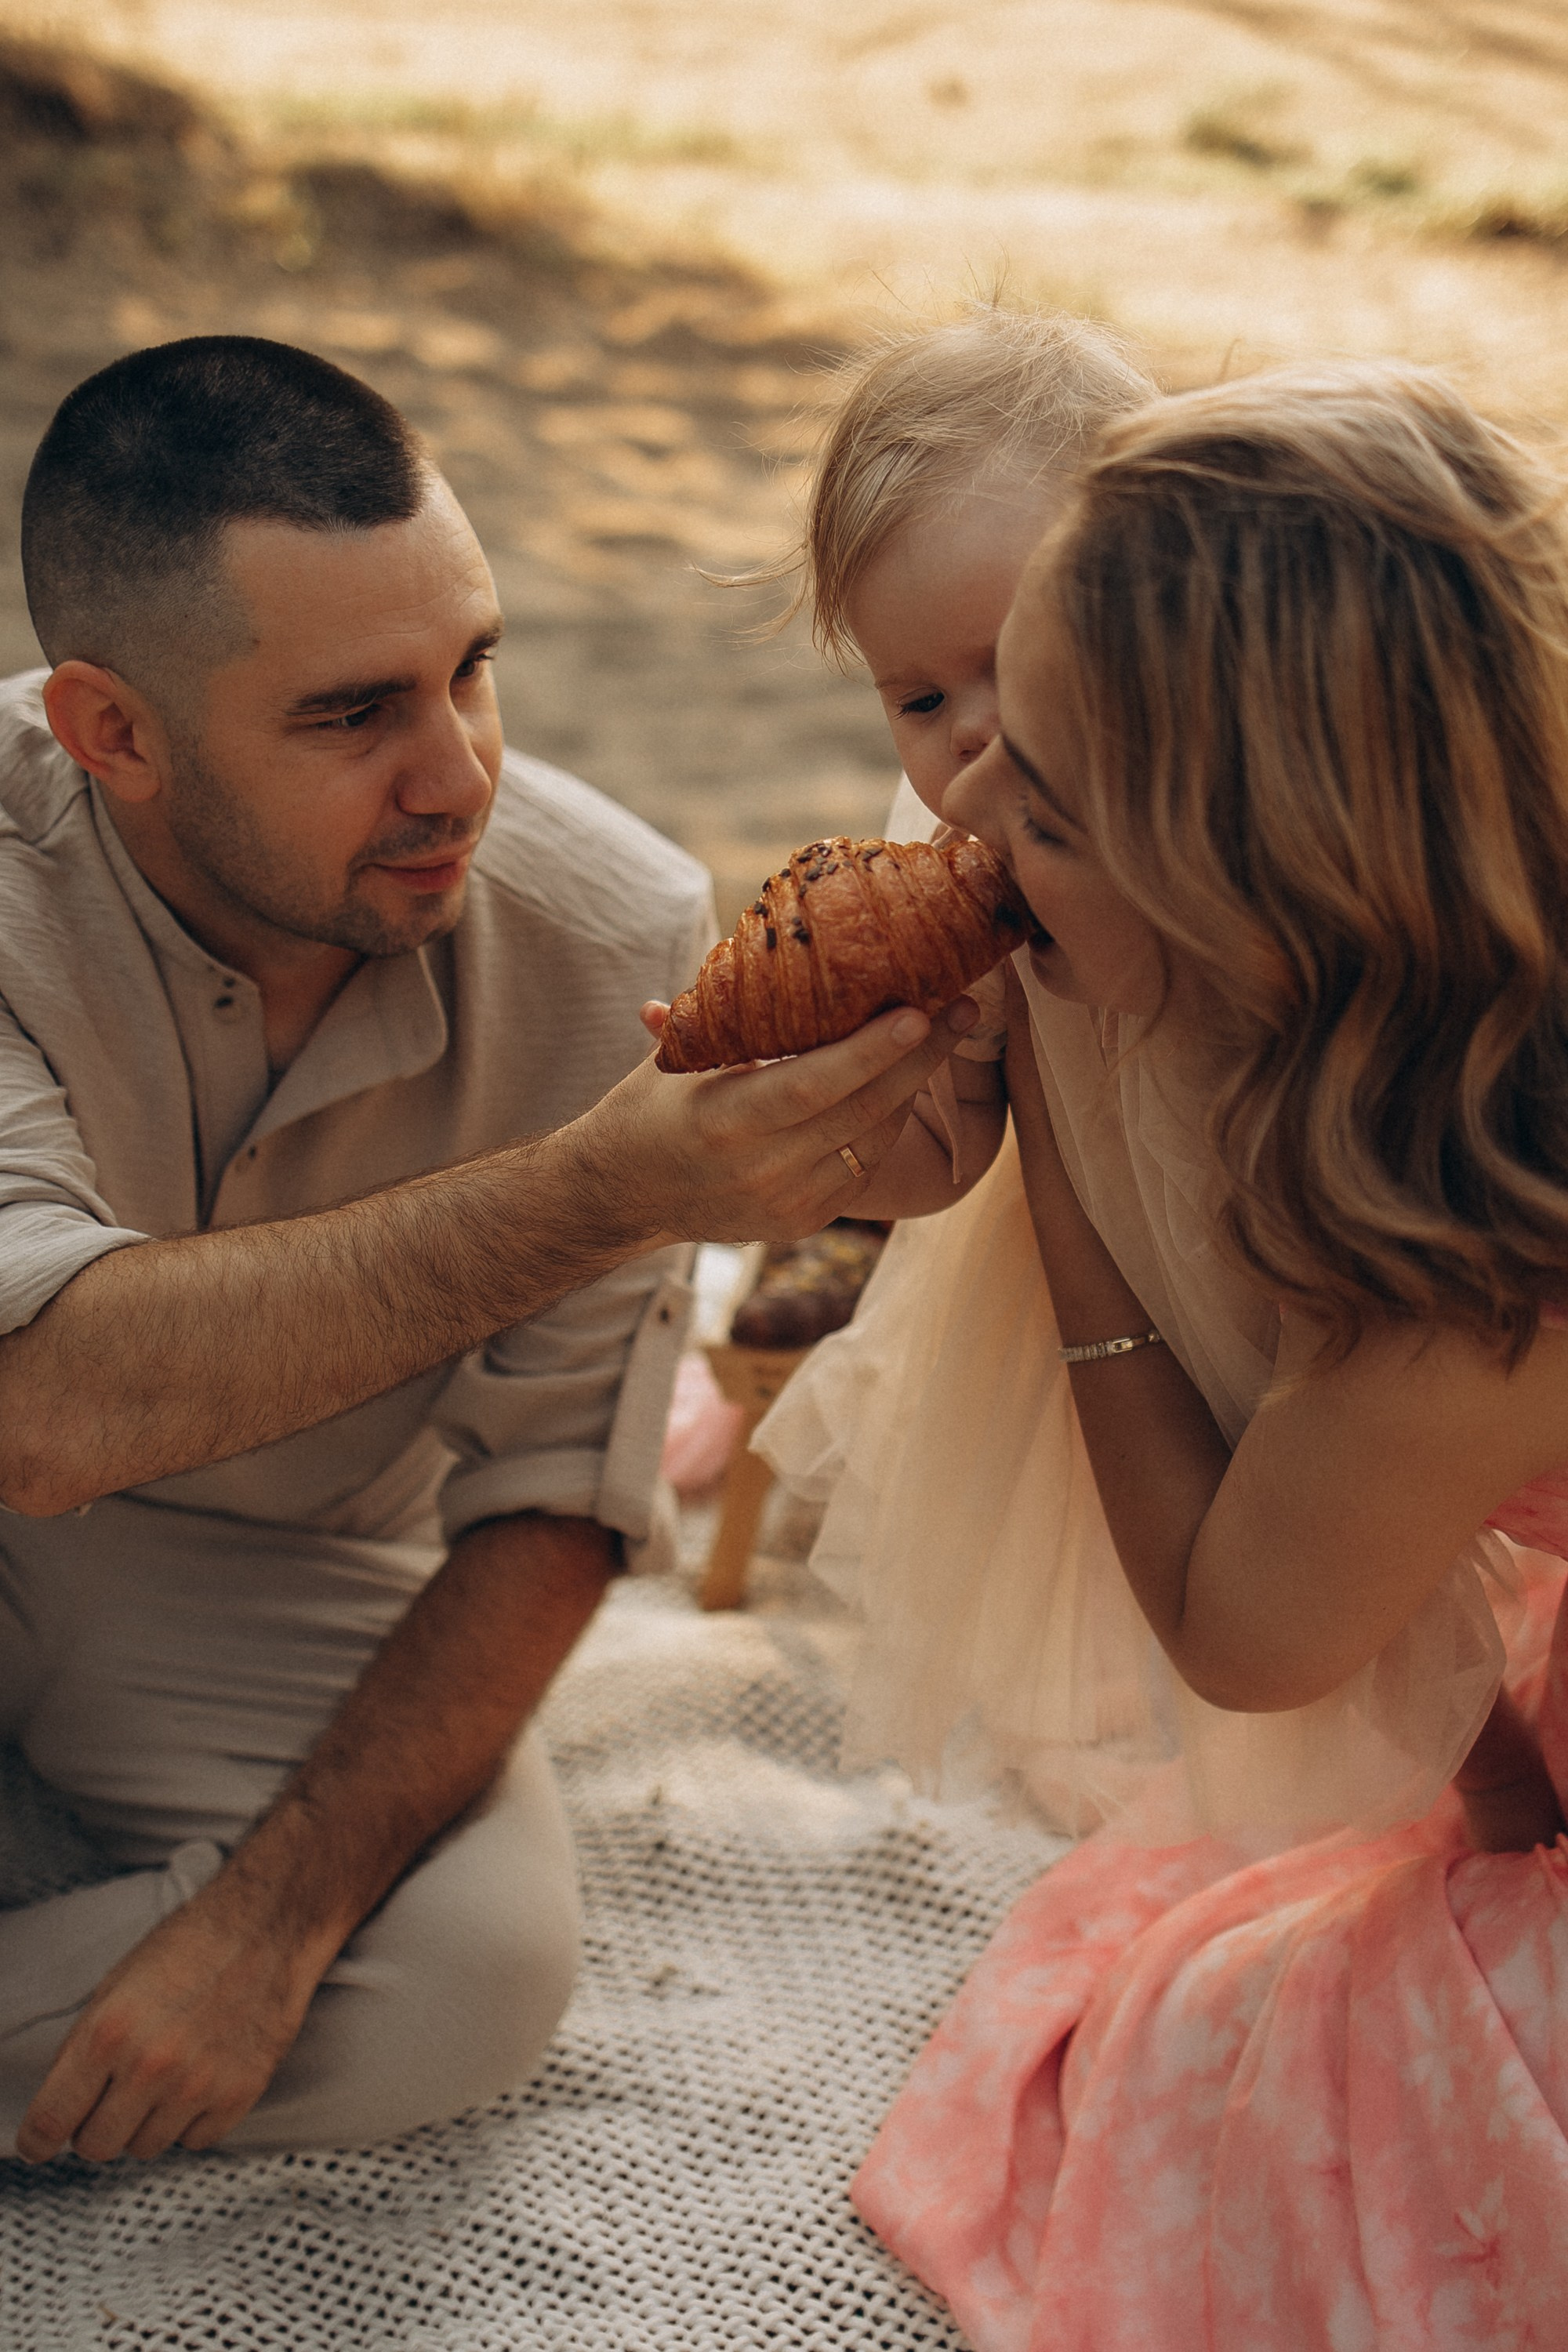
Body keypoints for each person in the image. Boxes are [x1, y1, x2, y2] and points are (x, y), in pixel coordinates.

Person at [0, 335, 971, 2167]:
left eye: (474, 670)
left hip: (264, 1571)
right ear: (110, 731)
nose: (459, 775)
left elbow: (551, 1495)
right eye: (353, 716)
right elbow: (39, 1405)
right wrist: (603, 1187)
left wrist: (265, 1929)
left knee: (468, 1975)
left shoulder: (613, 924)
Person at [851, 364, 1568, 2347]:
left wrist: (1064, 1153)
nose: (972, 816)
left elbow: (1243, 1633)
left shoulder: (1490, 1257)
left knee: (1223, 2078)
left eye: (1053, 807)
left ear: (1261, 874)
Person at [753, 308, 1162, 1820]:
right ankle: (1108, 1768)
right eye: (919, 701)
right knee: (1083, 1582)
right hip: (1069, 1307)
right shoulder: (957, 871)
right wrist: (877, 1093)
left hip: (1274, 1258)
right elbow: (942, 1171)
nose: (971, 735)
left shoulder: (1233, 816)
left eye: (1013, 662)